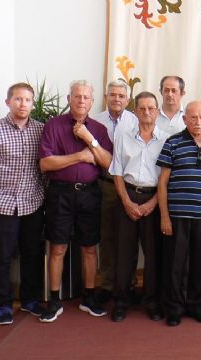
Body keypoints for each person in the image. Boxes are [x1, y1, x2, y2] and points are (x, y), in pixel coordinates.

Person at [38, 80, 113, 322]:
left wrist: (89, 138)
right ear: (69, 99)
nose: (81, 101)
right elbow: (46, 163)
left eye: (86, 97)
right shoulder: (53, 125)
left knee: (90, 248)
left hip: (90, 193)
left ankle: (89, 297)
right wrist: (79, 156)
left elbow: (108, 163)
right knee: (58, 247)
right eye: (77, 96)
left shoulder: (99, 129)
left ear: (92, 102)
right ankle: (54, 300)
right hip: (60, 193)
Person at [0, 83, 45, 325]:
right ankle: (3, 304)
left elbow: (45, 164)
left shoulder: (40, 130)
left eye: (27, 100)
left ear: (33, 104)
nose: (22, 104)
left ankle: (30, 300)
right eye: (17, 99)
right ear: (8, 102)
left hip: (33, 202)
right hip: (2, 204)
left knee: (32, 253)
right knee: (3, 255)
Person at [157, 101, 201, 326]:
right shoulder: (173, 142)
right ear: (184, 119)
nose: (198, 122)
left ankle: (197, 306)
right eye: (193, 117)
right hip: (177, 216)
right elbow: (163, 182)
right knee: (175, 265)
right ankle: (174, 308)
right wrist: (164, 216)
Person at [109, 91, 169, 322]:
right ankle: (122, 300)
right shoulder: (122, 136)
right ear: (135, 112)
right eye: (142, 108)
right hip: (128, 196)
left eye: (151, 108)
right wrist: (126, 201)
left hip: (155, 199)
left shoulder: (166, 139)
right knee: (124, 254)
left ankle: (151, 301)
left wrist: (153, 204)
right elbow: (117, 172)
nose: (146, 112)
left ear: (157, 111)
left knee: (153, 255)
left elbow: (167, 177)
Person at [93, 80, 138, 303]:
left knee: (128, 238)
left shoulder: (136, 121)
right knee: (108, 236)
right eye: (113, 95)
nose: (117, 99)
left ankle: (128, 283)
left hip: (130, 186)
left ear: (128, 100)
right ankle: (108, 284)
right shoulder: (95, 121)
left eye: (121, 95)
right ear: (106, 96)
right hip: (106, 186)